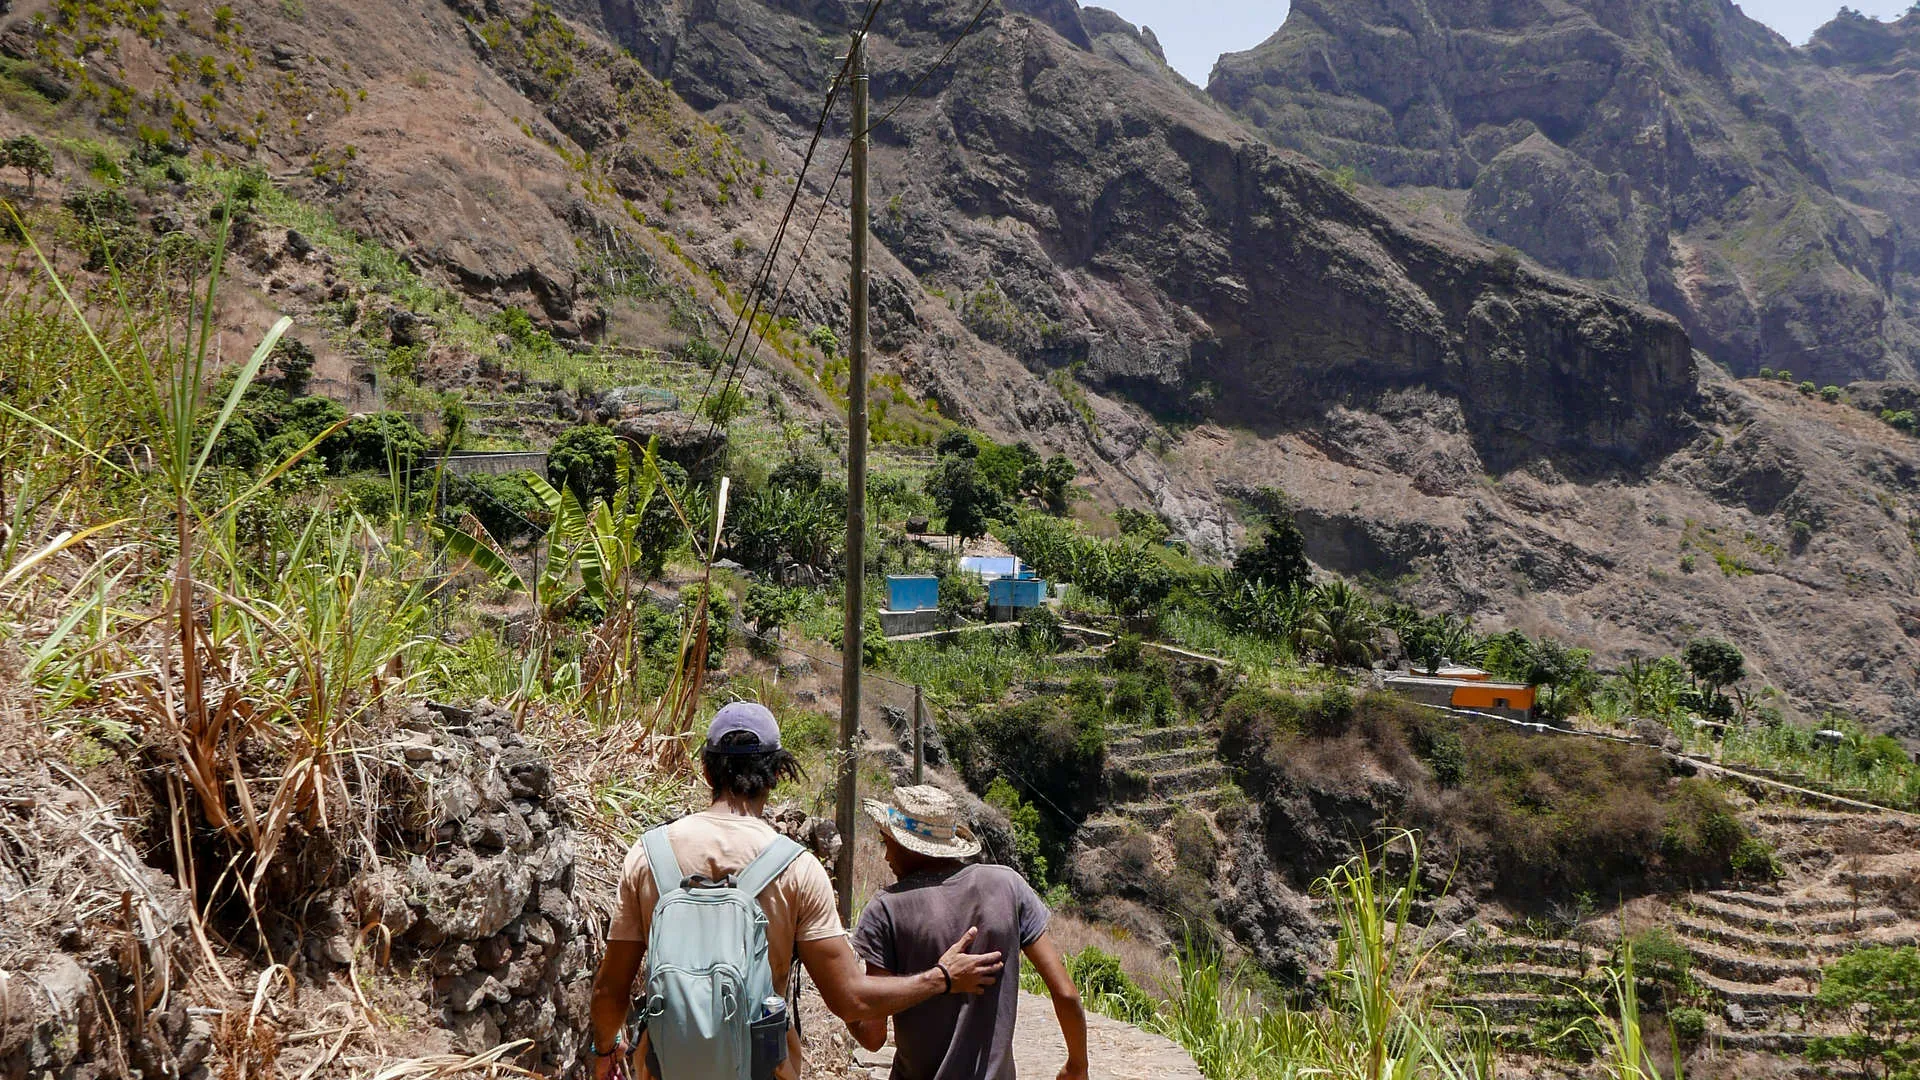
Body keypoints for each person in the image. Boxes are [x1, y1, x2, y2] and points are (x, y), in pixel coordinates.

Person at [589, 703, 1005, 1080]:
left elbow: (611, 988)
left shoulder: (648, 856)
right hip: (762, 1068)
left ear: (706, 770)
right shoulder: (797, 868)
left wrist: (605, 1049)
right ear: (775, 774)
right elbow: (851, 1000)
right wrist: (941, 979)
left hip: (665, 1066)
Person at [848, 786, 1088, 1080]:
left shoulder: (885, 909)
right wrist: (1077, 1065)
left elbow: (872, 1037)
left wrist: (844, 997)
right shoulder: (1008, 886)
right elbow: (1065, 994)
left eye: (889, 843)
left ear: (909, 846)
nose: (886, 856)